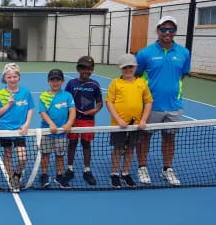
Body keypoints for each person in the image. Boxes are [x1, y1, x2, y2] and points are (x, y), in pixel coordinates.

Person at [135, 16, 191, 185]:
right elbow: (137, 76)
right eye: (164, 29)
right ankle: (142, 167)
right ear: (158, 30)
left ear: (175, 32)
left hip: (174, 106)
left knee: (169, 139)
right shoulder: (145, 53)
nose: (167, 32)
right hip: (150, 106)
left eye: (171, 29)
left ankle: (167, 169)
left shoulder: (184, 53)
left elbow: (182, 75)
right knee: (145, 137)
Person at [105, 54, 153, 188]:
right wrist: (119, 120)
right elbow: (109, 102)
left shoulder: (141, 83)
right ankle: (114, 174)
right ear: (121, 69)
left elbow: (148, 102)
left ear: (135, 67)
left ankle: (125, 173)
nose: (128, 70)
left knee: (131, 149)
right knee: (118, 149)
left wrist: (143, 120)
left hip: (136, 126)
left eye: (130, 67)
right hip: (118, 126)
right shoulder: (115, 83)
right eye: (125, 67)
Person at [0, 63, 34, 193]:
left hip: (20, 130)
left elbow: (30, 109)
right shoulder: (1, 94)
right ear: (5, 78)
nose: (12, 79)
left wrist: (27, 124)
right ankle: (12, 177)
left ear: (19, 77)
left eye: (14, 76)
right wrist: (8, 105)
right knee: (8, 154)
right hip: (5, 129)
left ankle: (17, 175)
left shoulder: (25, 92)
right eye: (9, 77)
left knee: (23, 158)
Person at [64, 56, 103, 186]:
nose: (86, 71)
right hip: (74, 120)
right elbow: (66, 100)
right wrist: (69, 115)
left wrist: (95, 111)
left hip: (88, 120)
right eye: (83, 68)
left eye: (89, 68)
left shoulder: (94, 85)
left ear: (92, 70)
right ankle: (69, 169)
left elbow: (99, 103)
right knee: (72, 143)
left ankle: (87, 170)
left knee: (86, 145)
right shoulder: (71, 84)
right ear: (78, 69)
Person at [38, 69, 76, 188]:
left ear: (62, 81)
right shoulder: (44, 96)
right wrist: (51, 124)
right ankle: (44, 175)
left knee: (60, 155)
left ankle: (59, 176)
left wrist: (69, 123)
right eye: (52, 80)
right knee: (45, 154)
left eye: (58, 80)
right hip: (47, 131)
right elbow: (42, 112)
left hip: (61, 133)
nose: (55, 83)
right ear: (48, 81)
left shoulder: (67, 96)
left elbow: (72, 111)